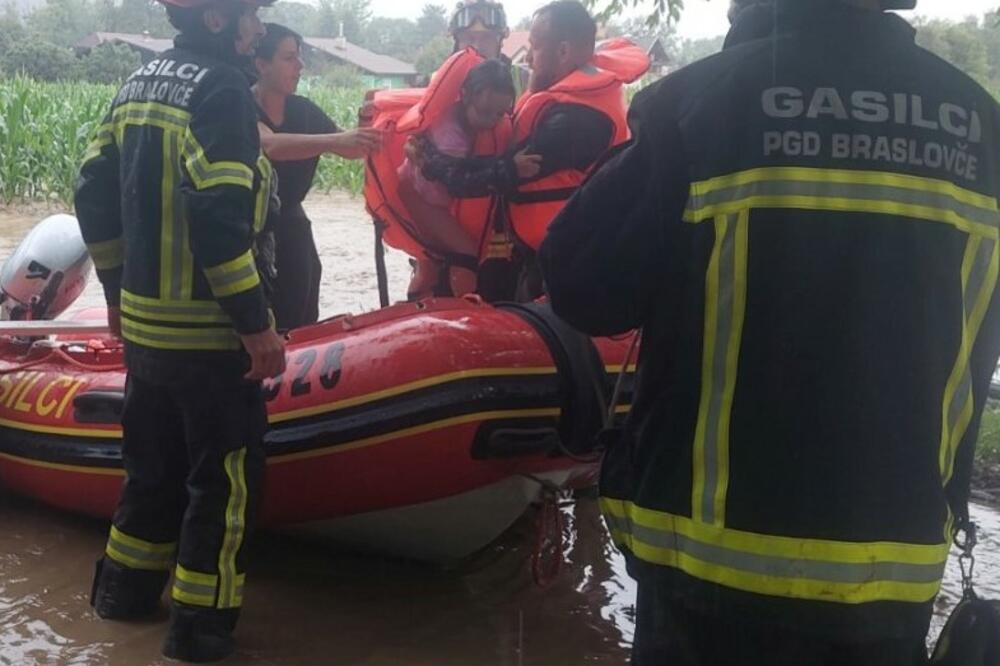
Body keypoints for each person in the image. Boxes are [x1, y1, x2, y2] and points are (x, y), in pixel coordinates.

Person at [539, 0, 1000, 664]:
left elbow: (581, 284)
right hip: (891, 574)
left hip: (708, 580)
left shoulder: (700, 104)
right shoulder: (980, 124)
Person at [75, 0, 286, 660]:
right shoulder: (222, 90)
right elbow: (221, 220)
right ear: (220, 20)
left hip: (145, 332)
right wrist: (256, 327)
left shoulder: (137, 83)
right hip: (207, 337)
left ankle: (122, 597)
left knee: (150, 469)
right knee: (221, 485)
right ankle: (199, 631)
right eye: (252, 14)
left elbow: (91, 189)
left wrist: (114, 291)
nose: (259, 28)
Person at [415, 0, 648, 300]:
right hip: (527, 250)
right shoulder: (554, 94)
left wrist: (430, 162)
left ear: (563, 52)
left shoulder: (577, 119)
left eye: (534, 47)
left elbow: (502, 170)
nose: (527, 55)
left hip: (560, 264)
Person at [254, 23, 381, 330]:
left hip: (294, 224)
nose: (300, 67)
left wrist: (365, 125)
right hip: (254, 230)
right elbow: (269, 145)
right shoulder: (239, 105)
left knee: (302, 307)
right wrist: (334, 141)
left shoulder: (304, 110)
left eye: (299, 58)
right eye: (289, 58)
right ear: (261, 65)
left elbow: (350, 149)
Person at [398, 59, 539, 298]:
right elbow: (457, 179)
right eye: (484, 112)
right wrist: (509, 169)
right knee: (465, 254)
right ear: (464, 96)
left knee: (440, 258)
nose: (491, 121)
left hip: (437, 199)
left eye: (499, 113)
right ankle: (463, 309)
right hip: (421, 198)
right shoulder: (448, 134)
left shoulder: (479, 118)